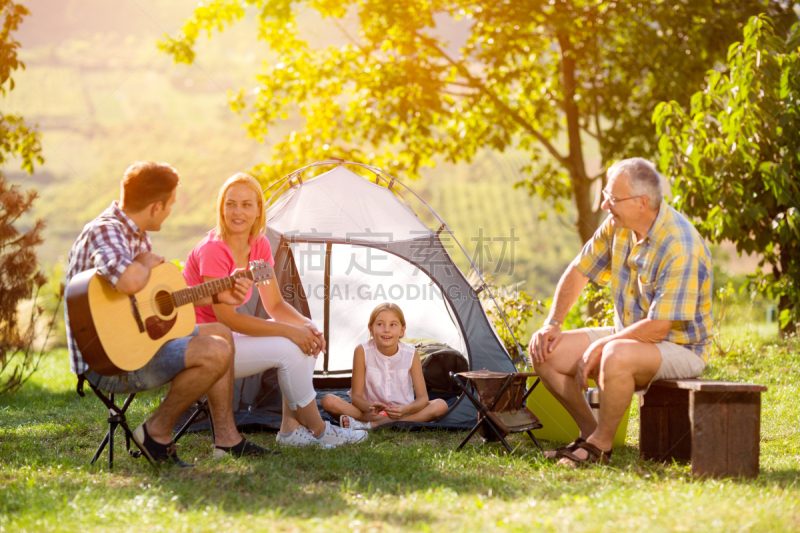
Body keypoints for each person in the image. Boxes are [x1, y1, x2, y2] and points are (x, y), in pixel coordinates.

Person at [65, 161, 277, 467]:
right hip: (109, 360)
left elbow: (153, 303)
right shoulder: (106, 231)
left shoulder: (137, 235)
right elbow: (128, 280)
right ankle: (156, 431)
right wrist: (144, 265)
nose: (171, 212)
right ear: (156, 207)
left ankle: (227, 440)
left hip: (134, 341)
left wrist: (221, 293)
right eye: (170, 206)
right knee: (215, 351)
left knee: (220, 333)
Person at [528, 157, 712, 467]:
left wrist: (602, 345)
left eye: (612, 198)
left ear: (642, 203)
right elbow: (578, 271)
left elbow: (658, 328)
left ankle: (600, 446)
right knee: (545, 350)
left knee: (614, 354)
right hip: (627, 336)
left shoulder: (679, 244)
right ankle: (590, 435)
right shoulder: (618, 226)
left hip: (680, 346)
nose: (603, 205)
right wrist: (552, 323)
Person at [182, 172, 367, 447]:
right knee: (290, 346)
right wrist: (290, 333)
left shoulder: (259, 245)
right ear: (221, 208)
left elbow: (275, 304)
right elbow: (229, 319)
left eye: (246, 204)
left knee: (307, 332)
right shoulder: (213, 250)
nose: (238, 212)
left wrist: (307, 327)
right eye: (230, 204)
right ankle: (319, 430)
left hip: (228, 339)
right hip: (203, 344)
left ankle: (290, 430)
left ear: (258, 210)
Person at [320, 303, 449, 429]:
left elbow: (423, 398)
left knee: (440, 405)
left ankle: (372, 425)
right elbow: (356, 398)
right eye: (380, 324)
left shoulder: (411, 354)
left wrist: (405, 409)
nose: (386, 329)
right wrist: (370, 406)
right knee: (328, 401)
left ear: (402, 331)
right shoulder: (362, 351)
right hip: (369, 413)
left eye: (393, 325)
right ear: (371, 329)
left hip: (402, 413)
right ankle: (385, 423)